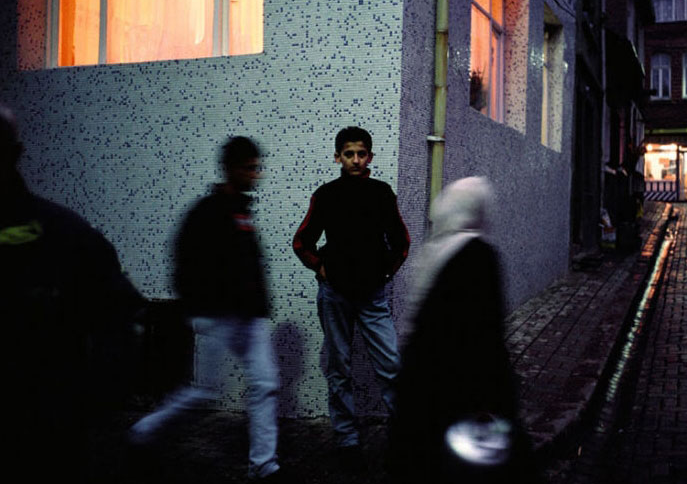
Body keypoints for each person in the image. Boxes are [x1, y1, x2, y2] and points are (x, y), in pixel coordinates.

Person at [0, 105, 145, 480]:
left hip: (44, 434)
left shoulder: (65, 236)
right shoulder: (67, 233)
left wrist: (84, 408)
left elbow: (121, 324)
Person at [129, 137, 285, 482]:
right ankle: (143, 432)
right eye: (249, 167)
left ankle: (264, 467)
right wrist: (199, 306)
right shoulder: (207, 212)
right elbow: (186, 262)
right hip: (218, 315)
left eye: (257, 167)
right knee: (205, 391)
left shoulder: (242, 211)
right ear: (230, 168)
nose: (256, 174)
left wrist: (260, 305)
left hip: (249, 317)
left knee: (265, 383)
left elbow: (250, 265)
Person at [390, 177, 538, 484]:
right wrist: (500, 397)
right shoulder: (479, 254)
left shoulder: (431, 250)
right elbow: (487, 334)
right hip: (460, 389)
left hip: (419, 387)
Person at [292, 126, 410, 470]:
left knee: (390, 365)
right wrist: (320, 267)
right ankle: (347, 438)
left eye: (361, 154)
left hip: (372, 296)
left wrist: (386, 272)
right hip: (335, 296)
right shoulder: (327, 194)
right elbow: (302, 241)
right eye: (349, 154)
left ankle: (404, 433)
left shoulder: (382, 193)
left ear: (370, 157)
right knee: (338, 367)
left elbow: (401, 241)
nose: (356, 160)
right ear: (337, 157)